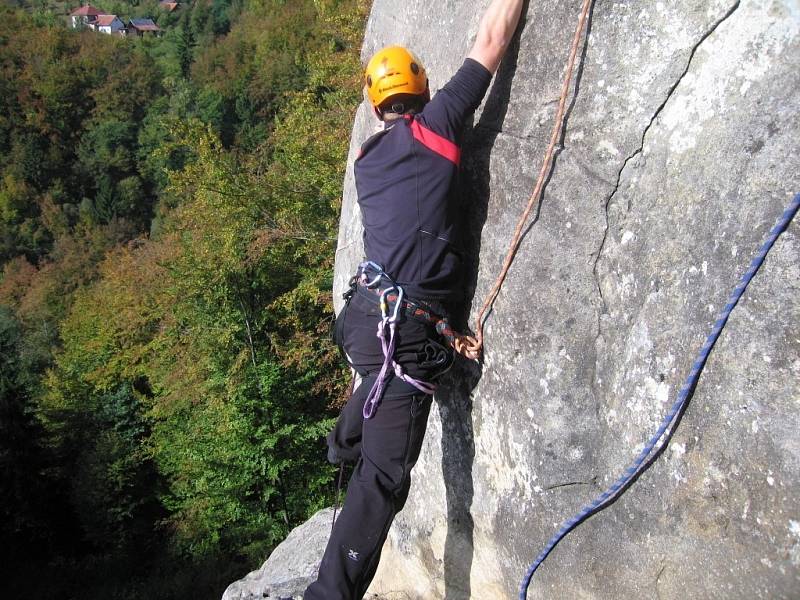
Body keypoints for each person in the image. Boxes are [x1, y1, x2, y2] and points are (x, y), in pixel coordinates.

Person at [304, 1, 525, 598]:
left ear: (378, 108)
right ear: (422, 91)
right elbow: (493, 37)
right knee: (382, 478)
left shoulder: (366, 160)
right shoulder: (443, 122)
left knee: (376, 376)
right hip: (405, 330)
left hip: (365, 315)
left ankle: (342, 440)